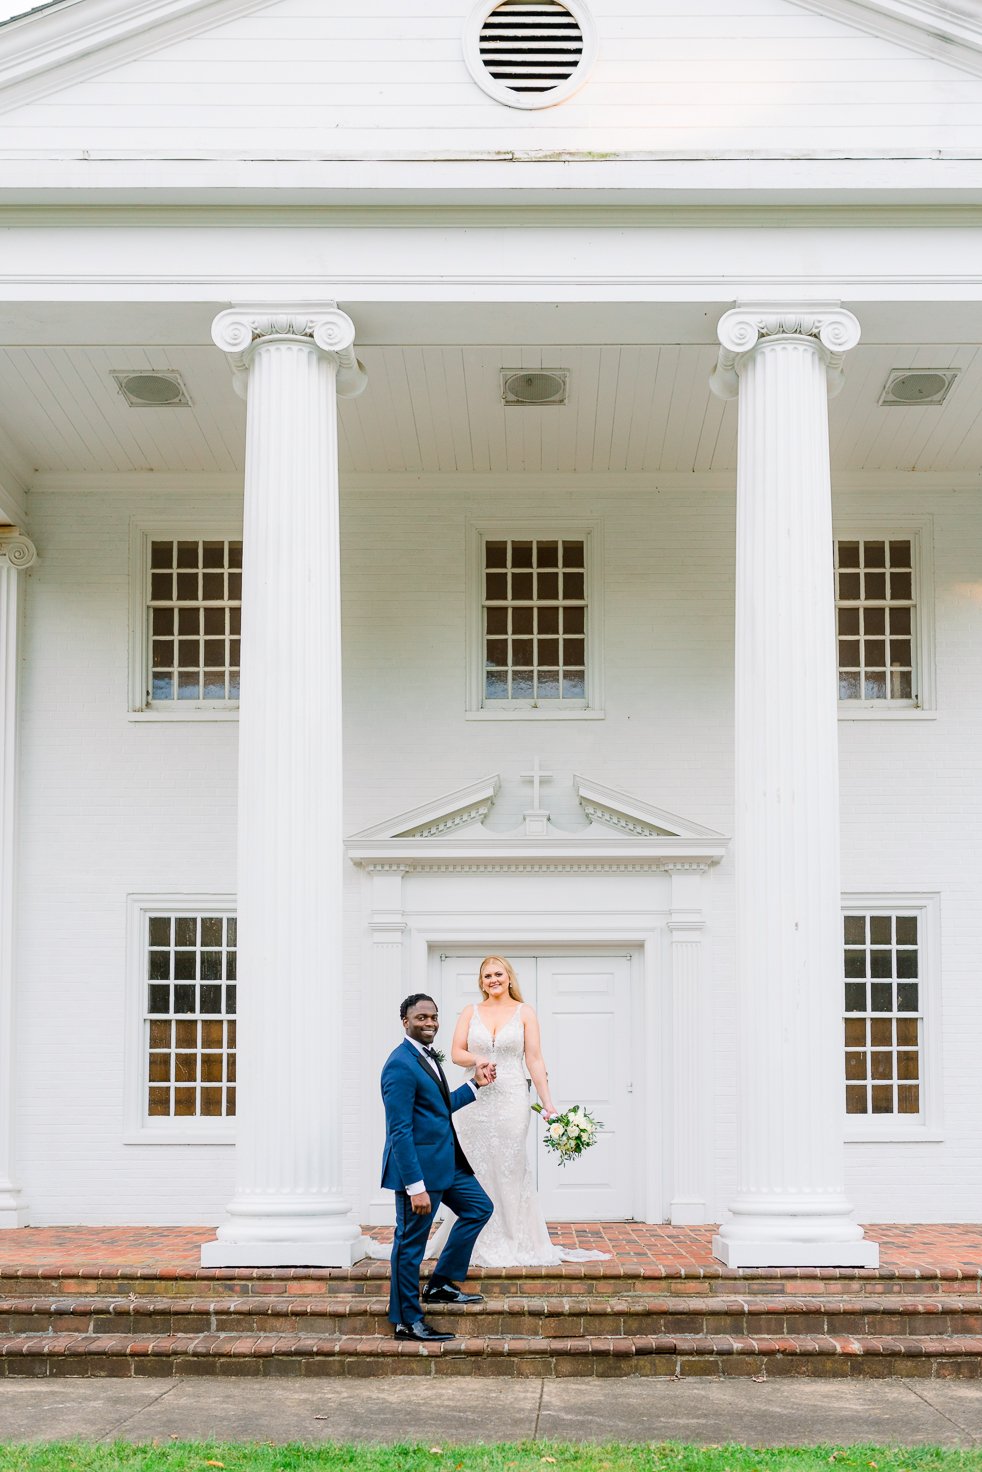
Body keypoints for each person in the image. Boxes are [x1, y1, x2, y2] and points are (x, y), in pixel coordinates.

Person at [426, 956, 609, 1268]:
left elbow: (534, 1059)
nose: (493, 980)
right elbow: (456, 1052)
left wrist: (547, 1102)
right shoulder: (471, 1011)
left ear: (509, 977)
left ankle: (514, 1238)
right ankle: (471, 1239)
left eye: (498, 974)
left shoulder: (525, 1012)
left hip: (512, 1098)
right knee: (475, 1167)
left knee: (511, 1167)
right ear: (481, 982)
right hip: (475, 1100)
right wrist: (478, 1060)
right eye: (487, 976)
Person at [380, 992, 495, 1342]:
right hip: (419, 1172)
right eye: (421, 1018)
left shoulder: (424, 1058)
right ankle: (406, 1321)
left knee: (479, 1208)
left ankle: (442, 1283)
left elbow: (437, 1108)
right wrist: (414, 1185)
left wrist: (475, 1084)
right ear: (405, 1022)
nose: (429, 1022)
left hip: (446, 1163)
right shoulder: (399, 1064)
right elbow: (399, 1130)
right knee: (410, 1245)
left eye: (433, 1017)